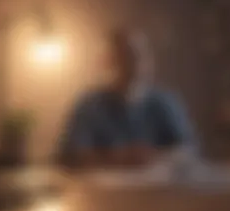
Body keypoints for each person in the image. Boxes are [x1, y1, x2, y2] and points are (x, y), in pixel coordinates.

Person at [57, 27, 197, 169]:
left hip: (157, 188)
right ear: (109, 61)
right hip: (101, 189)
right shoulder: (90, 106)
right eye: (125, 57)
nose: (134, 65)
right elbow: (70, 155)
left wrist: (152, 157)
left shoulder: (165, 103)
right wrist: (117, 158)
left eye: (140, 56)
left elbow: (188, 150)